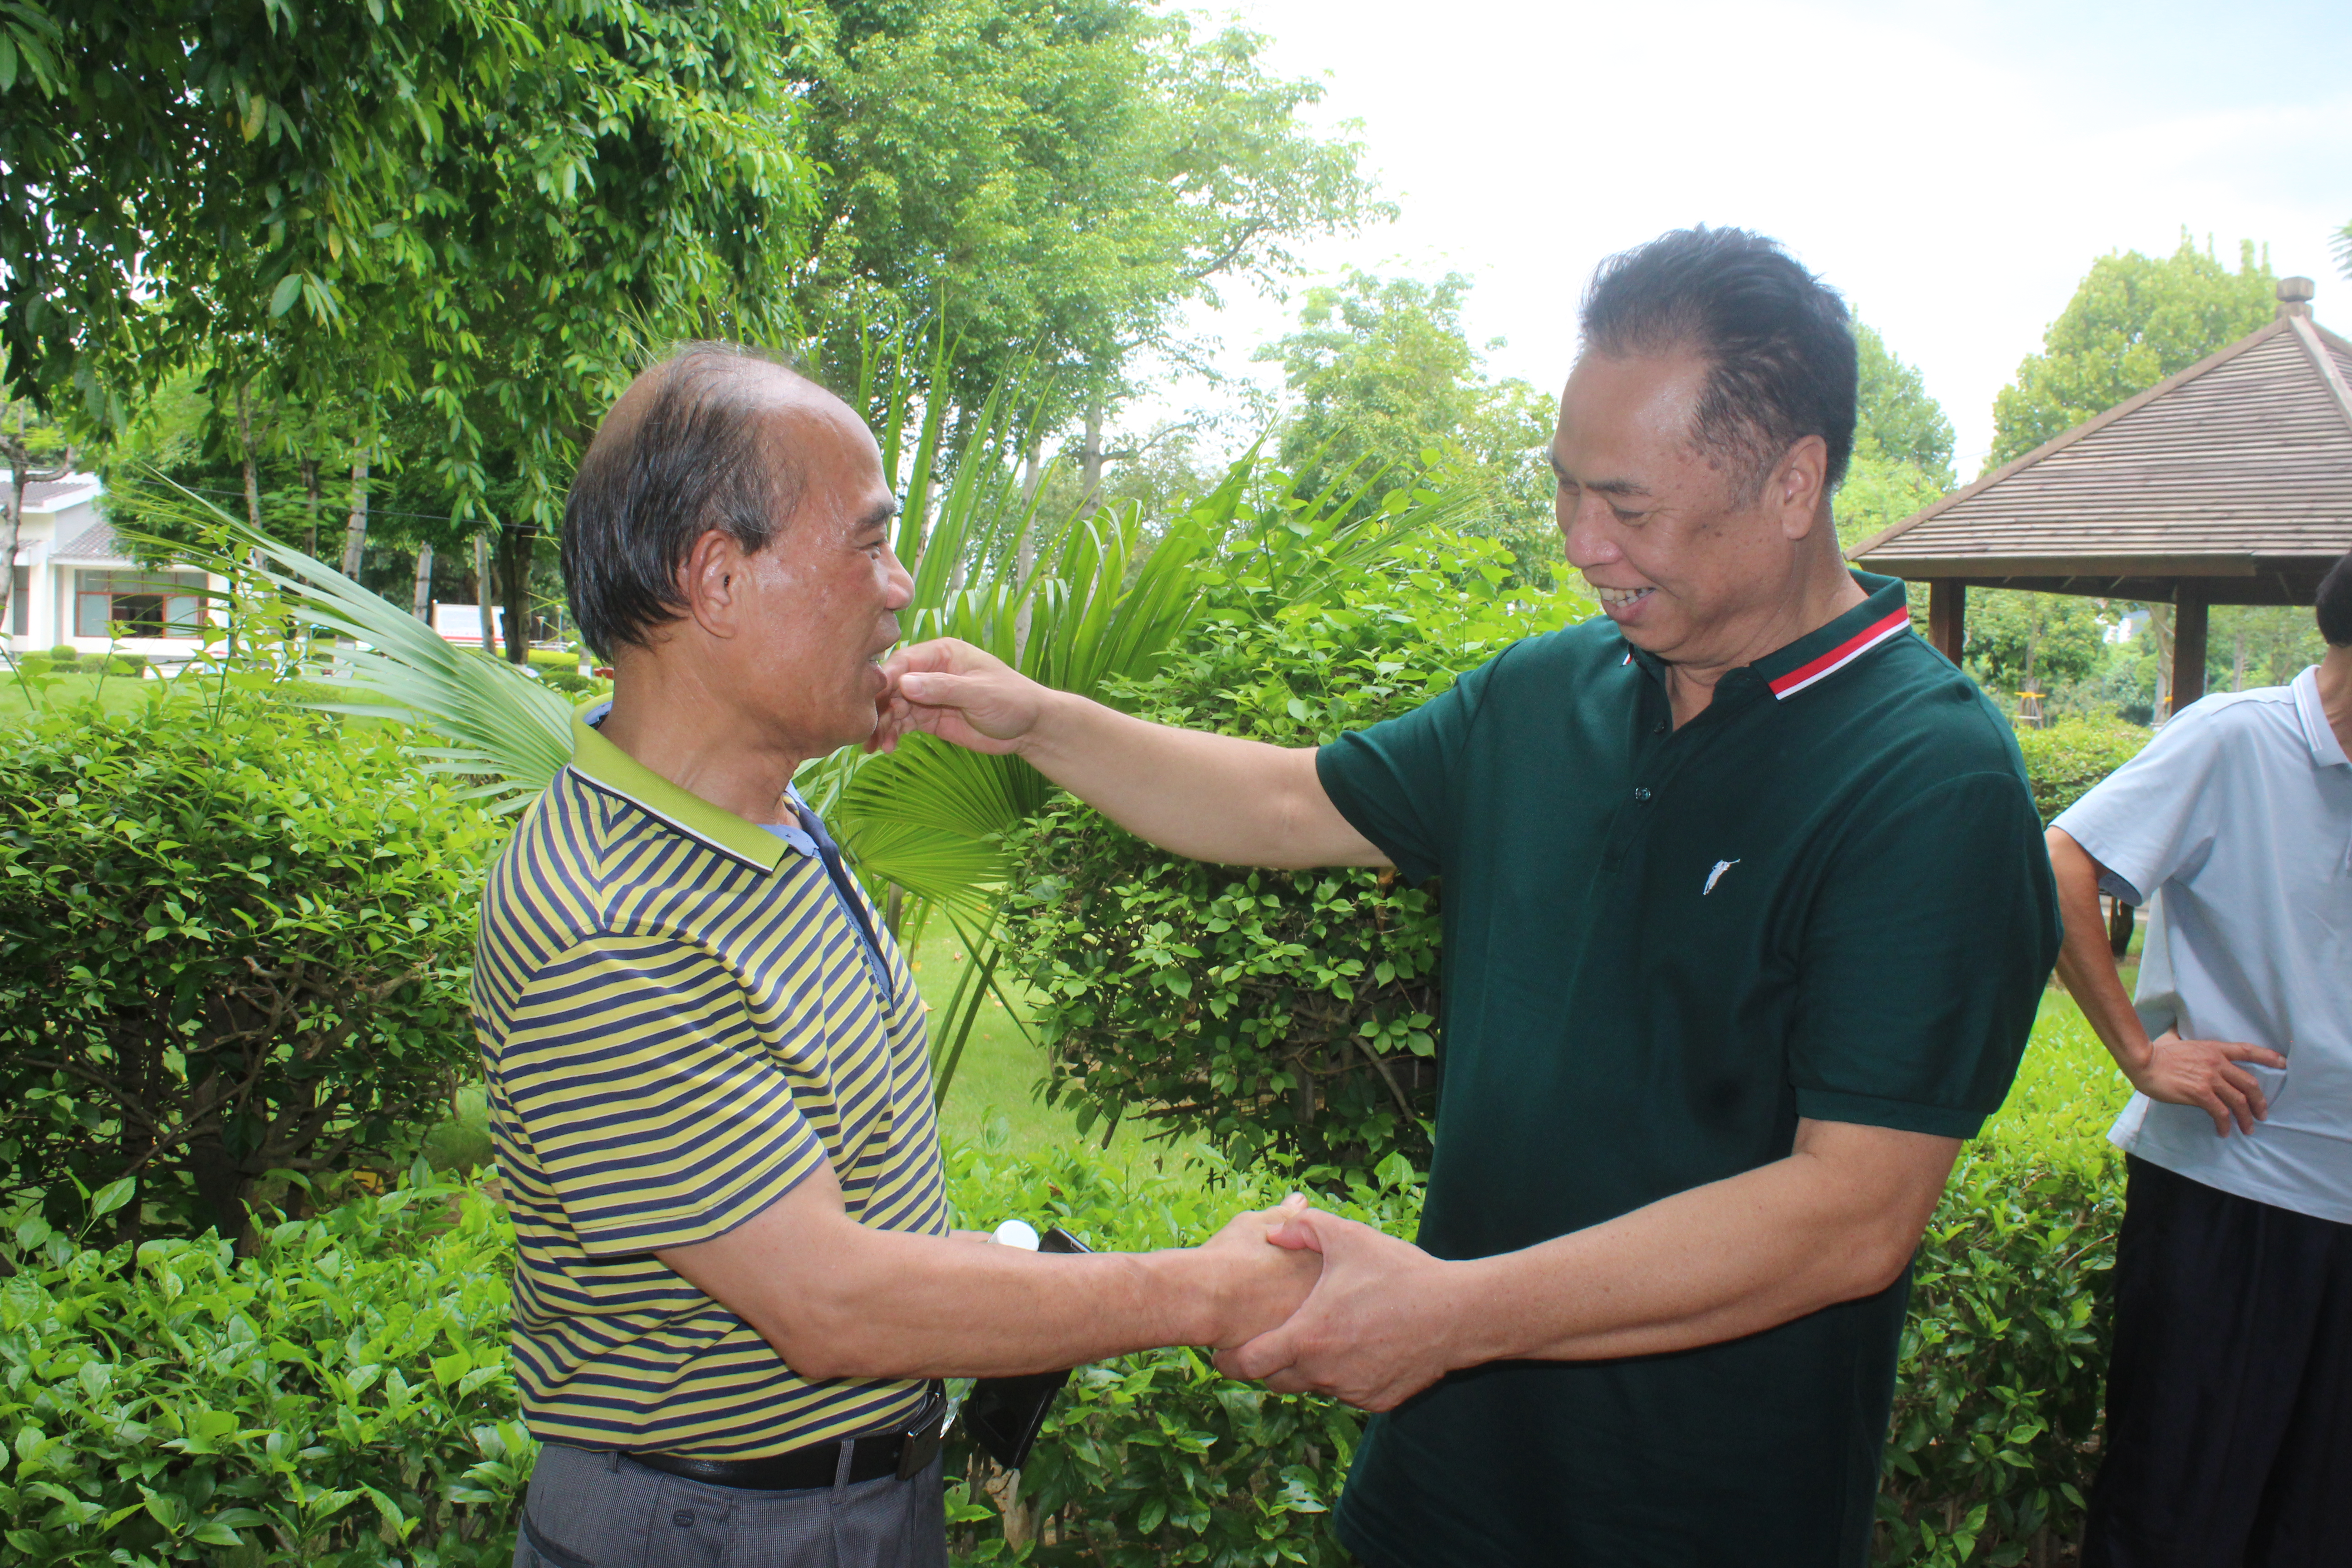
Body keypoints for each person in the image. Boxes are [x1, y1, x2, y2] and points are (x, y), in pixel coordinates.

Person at [874, 227, 2061, 1567]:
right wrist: (1038, 724)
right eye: (1564, 492)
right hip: (1436, 1491)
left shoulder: (1927, 776)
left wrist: (1451, 1313)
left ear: (1795, 486)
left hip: (1699, 1514)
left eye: (1628, 507)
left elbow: (1852, 1214)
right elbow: (1284, 802)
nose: (1579, 544)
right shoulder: (1550, 693)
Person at [474, 344, 1318, 1568]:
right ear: (717, 579)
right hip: (715, 1529)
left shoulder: (769, 817)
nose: (900, 584)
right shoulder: (601, 919)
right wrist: (1210, 1290)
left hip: (845, 1497)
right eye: (866, 542)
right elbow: (830, 1302)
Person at [2047, 550, 2352, 1568]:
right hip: (2232, 1186)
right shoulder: (2238, 739)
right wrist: (2140, 1052)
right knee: (2176, 1517)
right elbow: (2061, 862)